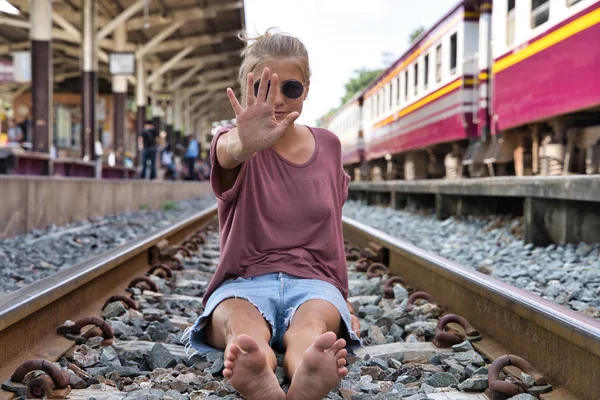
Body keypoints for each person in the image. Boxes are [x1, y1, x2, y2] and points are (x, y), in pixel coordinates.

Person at [183, 29, 361, 400]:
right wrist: (244, 143)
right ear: (247, 91)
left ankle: (309, 371)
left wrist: (343, 299)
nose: (277, 101)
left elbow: (333, 234)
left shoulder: (328, 145)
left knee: (311, 328)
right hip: (242, 283)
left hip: (314, 282)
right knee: (241, 327)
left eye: (290, 88)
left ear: (307, 88)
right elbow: (227, 154)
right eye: (264, 89)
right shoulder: (231, 139)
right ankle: (257, 368)